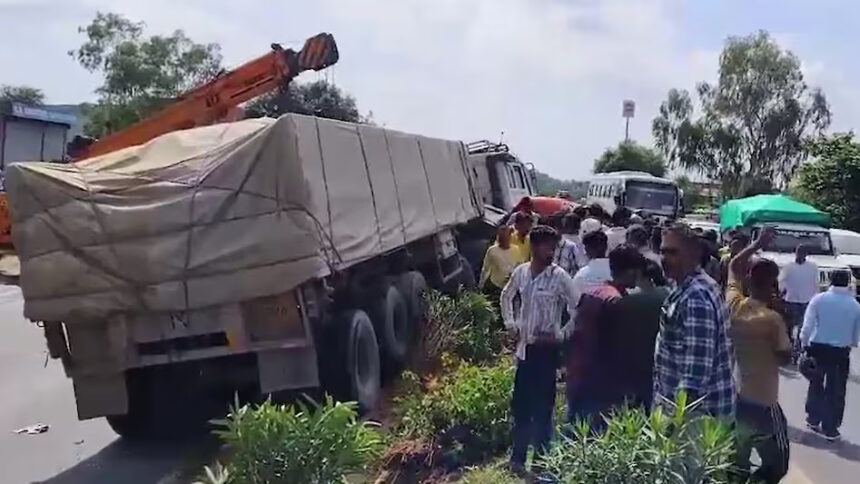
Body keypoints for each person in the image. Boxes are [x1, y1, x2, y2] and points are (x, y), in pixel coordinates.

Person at [501, 225, 577, 474]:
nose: (552, 252)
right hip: (525, 351)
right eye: (548, 247)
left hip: (546, 354)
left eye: (554, 247)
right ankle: (517, 460)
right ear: (534, 247)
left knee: (543, 410)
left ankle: (541, 464)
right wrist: (511, 324)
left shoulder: (559, 277)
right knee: (521, 407)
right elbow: (506, 296)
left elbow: (578, 309)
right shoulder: (522, 273)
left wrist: (560, 336)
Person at [726, 227, 791, 483]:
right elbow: (785, 357)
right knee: (779, 462)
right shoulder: (772, 319)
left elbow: (734, 264)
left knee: (737, 464)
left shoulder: (733, 303)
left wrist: (756, 244)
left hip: (736, 399)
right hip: (764, 403)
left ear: (749, 280)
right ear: (773, 285)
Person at [653, 223, 735, 418]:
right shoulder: (684, 285)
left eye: (673, 252)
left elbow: (694, 379)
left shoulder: (695, 297)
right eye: (663, 252)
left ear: (694, 254)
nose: (665, 259)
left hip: (696, 420)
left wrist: (672, 426)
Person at [567, 244, 645, 430]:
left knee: (575, 436)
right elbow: (621, 349)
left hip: (579, 376)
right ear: (632, 271)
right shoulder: (616, 302)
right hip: (602, 385)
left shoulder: (591, 293)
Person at [800, 270, 860, 441]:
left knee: (816, 382)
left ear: (830, 281)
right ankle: (831, 427)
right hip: (840, 352)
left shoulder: (819, 299)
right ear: (848, 282)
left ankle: (813, 418)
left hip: (817, 347)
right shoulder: (854, 304)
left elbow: (807, 325)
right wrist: (850, 343)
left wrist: (804, 345)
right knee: (837, 389)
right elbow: (856, 334)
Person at [780, 244, 819, 358]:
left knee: (803, 328)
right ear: (795, 252)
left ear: (806, 254)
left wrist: (814, 298)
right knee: (789, 327)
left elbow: (815, 283)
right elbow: (781, 282)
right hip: (791, 300)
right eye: (798, 252)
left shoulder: (812, 267)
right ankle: (788, 348)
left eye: (803, 252)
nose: (800, 254)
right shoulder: (789, 267)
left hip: (807, 301)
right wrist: (782, 293)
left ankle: (798, 350)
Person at [571, 231, 612, 308]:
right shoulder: (618, 272)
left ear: (587, 250)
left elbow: (574, 304)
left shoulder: (581, 275)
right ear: (606, 247)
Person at [480, 224, 518, 306]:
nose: (502, 239)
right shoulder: (492, 251)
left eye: (505, 236)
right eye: (501, 236)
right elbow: (485, 268)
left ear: (509, 237)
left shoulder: (516, 249)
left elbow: (519, 265)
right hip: (496, 286)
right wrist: (481, 284)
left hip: (511, 286)